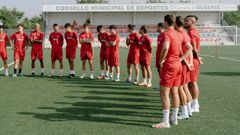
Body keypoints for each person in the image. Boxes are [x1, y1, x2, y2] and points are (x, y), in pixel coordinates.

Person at [152, 14, 183, 128]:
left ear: (165, 22)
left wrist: (161, 60)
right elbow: (180, 49)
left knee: (164, 93)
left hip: (170, 65)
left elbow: (165, 47)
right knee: (174, 92)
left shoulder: (167, 33)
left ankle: (165, 122)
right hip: (178, 64)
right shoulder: (178, 33)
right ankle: (174, 118)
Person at [175, 16, 194, 119]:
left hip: (182, 65)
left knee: (180, 88)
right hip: (185, 65)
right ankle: (189, 110)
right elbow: (189, 50)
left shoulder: (180, 34)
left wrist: (182, 60)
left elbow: (188, 49)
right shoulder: (185, 34)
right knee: (185, 87)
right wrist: (189, 62)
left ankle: (184, 112)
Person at [185, 15, 202, 113]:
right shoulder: (192, 31)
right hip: (192, 59)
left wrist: (197, 57)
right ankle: (194, 103)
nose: (185, 22)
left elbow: (194, 48)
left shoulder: (192, 32)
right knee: (190, 83)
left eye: (187, 21)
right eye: (185, 20)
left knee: (192, 82)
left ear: (193, 22)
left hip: (193, 60)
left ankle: (195, 105)